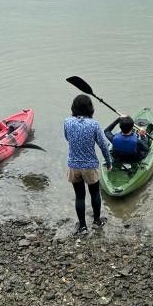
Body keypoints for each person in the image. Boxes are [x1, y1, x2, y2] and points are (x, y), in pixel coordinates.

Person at [64, 94, 112, 236]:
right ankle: (97, 221)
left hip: (73, 165)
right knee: (95, 193)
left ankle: (82, 226)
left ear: (74, 107)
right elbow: (103, 146)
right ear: (90, 108)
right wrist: (108, 162)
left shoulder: (67, 122)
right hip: (90, 166)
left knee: (79, 196)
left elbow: (67, 138)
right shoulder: (94, 124)